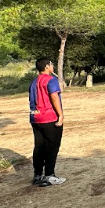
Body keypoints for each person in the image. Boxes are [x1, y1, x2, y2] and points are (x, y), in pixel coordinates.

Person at [28, 58, 66, 187]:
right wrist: (60, 115)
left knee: (39, 146)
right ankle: (49, 175)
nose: (52, 66)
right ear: (47, 66)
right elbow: (54, 96)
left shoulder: (34, 82)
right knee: (52, 146)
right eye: (51, 64)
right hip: (49, 118)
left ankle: (37, 175)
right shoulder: (51, 80)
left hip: (35, 118)